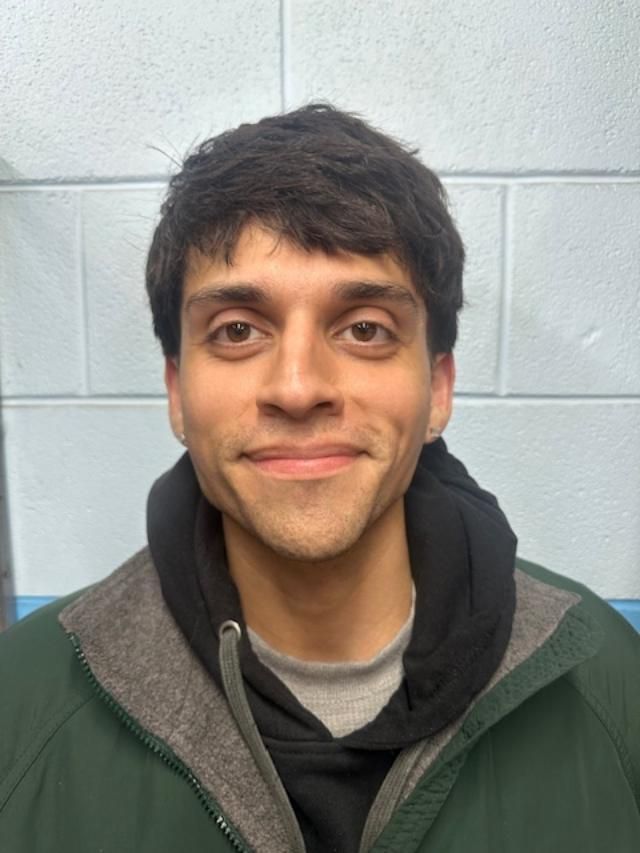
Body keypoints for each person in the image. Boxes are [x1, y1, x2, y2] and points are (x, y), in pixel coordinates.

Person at [1, 104, 638, 853]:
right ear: (177, 390)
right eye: (238, 329)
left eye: (364, 327)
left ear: (438, 388)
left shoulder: (608, 684)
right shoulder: (21, 703)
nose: (298, 387)